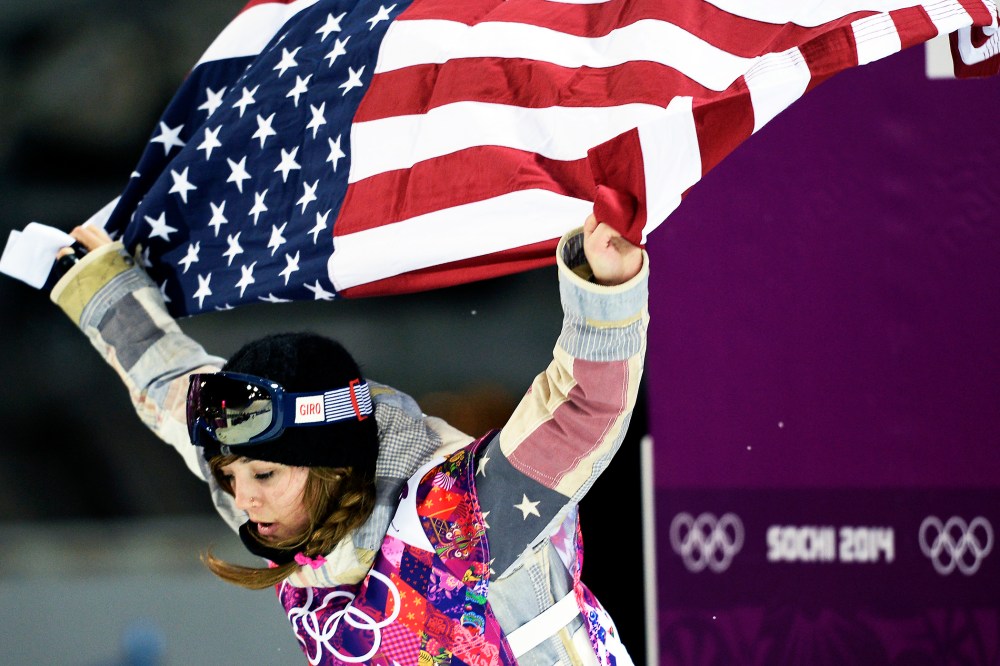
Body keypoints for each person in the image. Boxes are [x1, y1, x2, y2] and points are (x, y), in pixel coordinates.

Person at [49, 213, 647, 665]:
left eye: (261, 476)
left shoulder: (459, 514)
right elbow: (167, 383)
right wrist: (103, 288)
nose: (242, 499)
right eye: (231, 476)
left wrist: (605, 291)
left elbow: (578, 412)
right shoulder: (274, 499)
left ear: (332, 466)